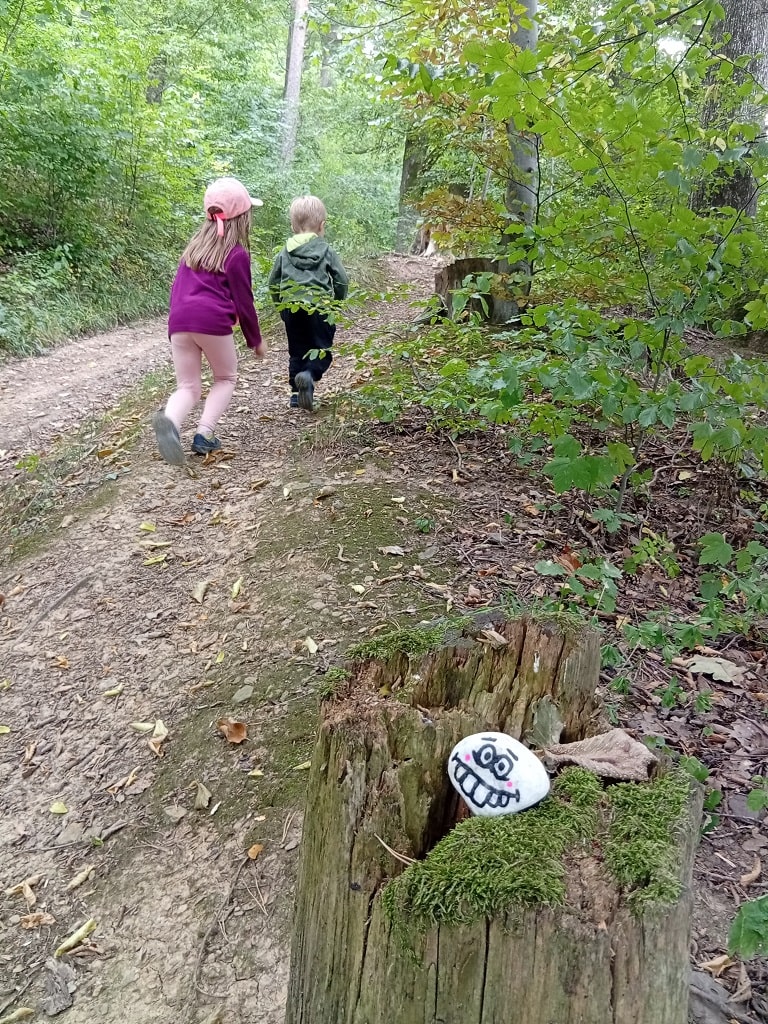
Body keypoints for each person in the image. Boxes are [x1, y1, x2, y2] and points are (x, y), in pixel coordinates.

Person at [152, 176, 265, 465]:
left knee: (187, 386)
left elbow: (177, 290)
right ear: (243, 218)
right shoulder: (237, 254)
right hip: (212, 322)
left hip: (179, 322)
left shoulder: (192, 250)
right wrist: (255, 340)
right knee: (225, 377)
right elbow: (244, 301)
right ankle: (204, 434)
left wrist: (176, 323)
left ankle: (171, 423)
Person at [267, 195, 348, 411]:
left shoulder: (285, 252)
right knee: (322, 349)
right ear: (322, 225)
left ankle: (296, 394)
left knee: (297, 350)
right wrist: (335, 304)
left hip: (292, 308)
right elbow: (341, 279)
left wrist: (281, 307)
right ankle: (309, 375)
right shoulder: (326, 250)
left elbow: (273, 282)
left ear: (293, 226)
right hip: (320, 307)